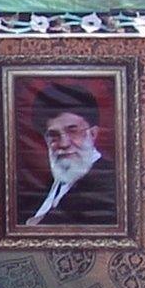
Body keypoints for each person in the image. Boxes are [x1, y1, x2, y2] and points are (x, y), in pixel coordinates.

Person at [21, 81, 117, 227]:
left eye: (73, 131)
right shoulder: (45, 185)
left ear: (93, 134)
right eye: (53, 135)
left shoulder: (110, 183)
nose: (64, 143)